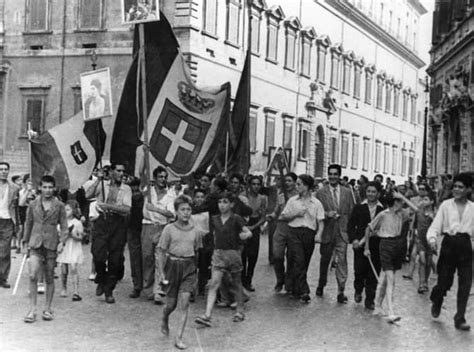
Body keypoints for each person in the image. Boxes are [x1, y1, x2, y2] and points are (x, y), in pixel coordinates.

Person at [195, 191, 251, 327]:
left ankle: (240, 310)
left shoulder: (236, 218)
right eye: (220, 202)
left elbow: (248, 231)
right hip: (218, 254)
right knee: (214, 283)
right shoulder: (214, 219)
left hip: (233, 254)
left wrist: (246, 235)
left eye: (225, 202)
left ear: (231, 204)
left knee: (236, 282)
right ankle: (207, 315)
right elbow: (210, 234)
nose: (222, 205)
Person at [428, 173, 473, 331]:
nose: (456, 189)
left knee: (466, 283)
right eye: (455, 186)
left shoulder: (472, 208)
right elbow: (435, 226)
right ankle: (437, 298)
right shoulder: (446, 205)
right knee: (444, 282)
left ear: (468, 189)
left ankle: (460, 317)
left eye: (461, 187)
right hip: (449, 245)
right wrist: (432, 240)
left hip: (466, 247)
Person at [364, 191, 418, 323]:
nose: (402, 203)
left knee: (388, 280)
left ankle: (378, 305)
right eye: (399, 201)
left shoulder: (402, 214)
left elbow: (416, 210)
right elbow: (368, 228)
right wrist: (366, 247)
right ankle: (391, 312)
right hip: (386, 245)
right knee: (390, 279)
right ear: (394, 202)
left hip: (398, 245)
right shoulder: (383, 214)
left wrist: (403, 197)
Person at [158, 195, 204, 350]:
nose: (186, 213)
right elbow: (161, 251)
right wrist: (162, 274)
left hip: (189, 267)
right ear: (176, 212)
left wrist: (196, 276)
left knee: (184, 303)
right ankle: (165, 318)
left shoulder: (196, 231)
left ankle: (179, 338)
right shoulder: (168, 229)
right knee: (171, 304)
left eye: (189, 209)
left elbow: (197, 252)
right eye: (182, 209)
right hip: (172, 266)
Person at [22, 175, 68, 322]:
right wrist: (24, 242)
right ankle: (32, 309)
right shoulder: (33, 204)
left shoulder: (59, 205)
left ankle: (47, 309)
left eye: (50, 187)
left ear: (54, 188)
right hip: (35, 243)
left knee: (49, 277)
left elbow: (65, 226)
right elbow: (28, 223)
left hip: (51, 244)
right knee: (33, 275)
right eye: (44, 187)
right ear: (40, 188)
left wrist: (62, 241)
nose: (47, 190)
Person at [86, 163, 131, 304]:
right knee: (97, 254)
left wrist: (109, 206)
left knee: (115, 259)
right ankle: (101, 276)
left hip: (118, 224)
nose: (121, 173)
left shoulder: (126, 189)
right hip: (102, 222)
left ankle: (109, 290)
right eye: (118, 170)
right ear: (111, 172)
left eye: (123, 171)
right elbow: (88, 195)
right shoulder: (102, 185)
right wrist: (98, 180)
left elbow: (126, 209)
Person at [281, 175, 324, 303]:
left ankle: (295, 288)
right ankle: (305, 290)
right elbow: (283, 216)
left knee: (304, 261)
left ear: (307, 186)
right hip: (294, 232)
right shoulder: (292, 201)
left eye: (299, 184)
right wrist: (295, 214)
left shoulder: (316, 203)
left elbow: (320, 221)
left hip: (309, 233)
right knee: (298, 259)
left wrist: (319, 234)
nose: (296, 186)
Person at [316, 164, 354, 303]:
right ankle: (321, 283)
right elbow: (317, 212)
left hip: (342, 233)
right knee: (325, 260)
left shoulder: (347, 192)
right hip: (327, 230)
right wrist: (327, 214)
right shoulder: (321, 192)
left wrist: (350, 231)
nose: (332, 177)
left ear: (339, 176)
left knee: (342, 261)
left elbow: (351, 212)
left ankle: (341, 291)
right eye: (330, 174)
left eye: (335, 174)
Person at [141, 166, 176, 304]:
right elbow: (141, 174)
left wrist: (156, 209)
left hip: (162, 227)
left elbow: (171, 213)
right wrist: (144, 155)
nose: (163, 180)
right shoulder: (148, 191)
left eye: (165, 177)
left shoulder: (170, 194)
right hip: (148, 226)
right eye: (160, 177)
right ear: (155, 178)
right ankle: (148, 288)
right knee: (147, 257)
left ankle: (158, 290)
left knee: (160, 259)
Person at [347, 182, 384, 310]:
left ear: (378, 193)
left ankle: (370, 299)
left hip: (377, 246)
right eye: (369, 191)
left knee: (373, 274)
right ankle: (358, 289)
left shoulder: (383, 209)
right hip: (360, 245)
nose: (371, 194)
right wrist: (354, 240)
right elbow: (351, 226)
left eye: (374, 192)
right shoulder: (358, 207)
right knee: (359, 271)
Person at [271, 173, 298, 294]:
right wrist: (272, 215)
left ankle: (289, 282)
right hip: (281, 228)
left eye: (290, 181)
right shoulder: (281, 194)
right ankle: (280, 279)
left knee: (291, 257)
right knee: (277, 256)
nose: (287, 183)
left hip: (293, 228)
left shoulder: (299, 196)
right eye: (285, 181)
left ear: (295, 182)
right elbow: (277, 209)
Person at [242, 176, 267, 292]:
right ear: (249, 185)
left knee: (253, 255)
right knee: (243, 254)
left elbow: (263, 217)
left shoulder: (262, 199)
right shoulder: (243, 196)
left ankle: (249, 279)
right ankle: (241, 280)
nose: (256, 186)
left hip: (254, 226)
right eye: (253, 184)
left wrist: (253, 227)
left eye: (258, 184)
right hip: (243, 225)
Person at [57, 200, 84, 301]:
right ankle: (64, 288)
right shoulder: (61, 223)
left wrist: (72, 235)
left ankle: (76, 291)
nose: (65, 212)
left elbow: (80, 237)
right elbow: (58, 234)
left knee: (73, 268)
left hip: (74, 247)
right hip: (65, 247)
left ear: (73, 211)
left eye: (68, 210)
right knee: (64, 270)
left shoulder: (77, 223)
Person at [0, 162, 19, 289]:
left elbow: (16, 208)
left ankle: (3, 277)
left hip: (7, 220)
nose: (3, 171)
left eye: (6, 169)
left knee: (5, 251)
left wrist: (18, 224)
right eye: (1, 169)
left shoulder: (14, 188)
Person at [413, 191, 436, 294]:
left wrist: (433, 218)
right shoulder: (419, 211)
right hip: (420, 239)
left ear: (432, 201)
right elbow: (411, 206)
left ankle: (425, 281)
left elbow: (438, 227)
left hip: (430, 240)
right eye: (423, 199)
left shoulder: (434, 214)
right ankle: (421, 283)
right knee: (422, 260)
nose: (423, 201)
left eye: (426, 200)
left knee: (428, 261)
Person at [128, 177, 144, 298]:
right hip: (137, 228)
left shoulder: (133, 197)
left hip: (135, 228)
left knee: (136, 258)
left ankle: (138, 285)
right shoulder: (142, 196)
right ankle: (139, 284)